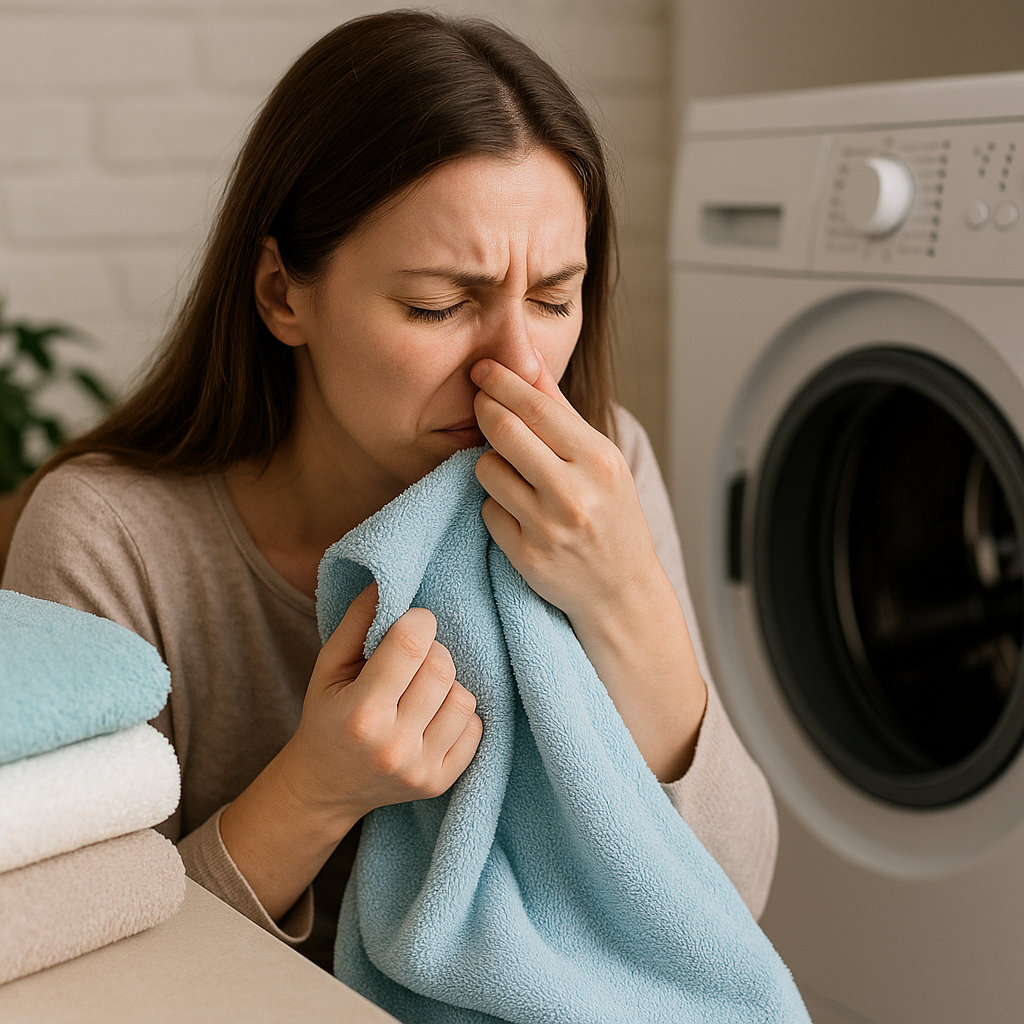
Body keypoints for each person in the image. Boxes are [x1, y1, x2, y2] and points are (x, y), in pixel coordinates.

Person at [2, 11, 778, 972]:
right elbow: (73, 959)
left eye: (554, 298)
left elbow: (731, 895)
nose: (521, 371)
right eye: (438, 306)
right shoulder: (111, 540)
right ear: (285, 294)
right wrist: (316, 790)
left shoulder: (595, 476)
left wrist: (626, 597)